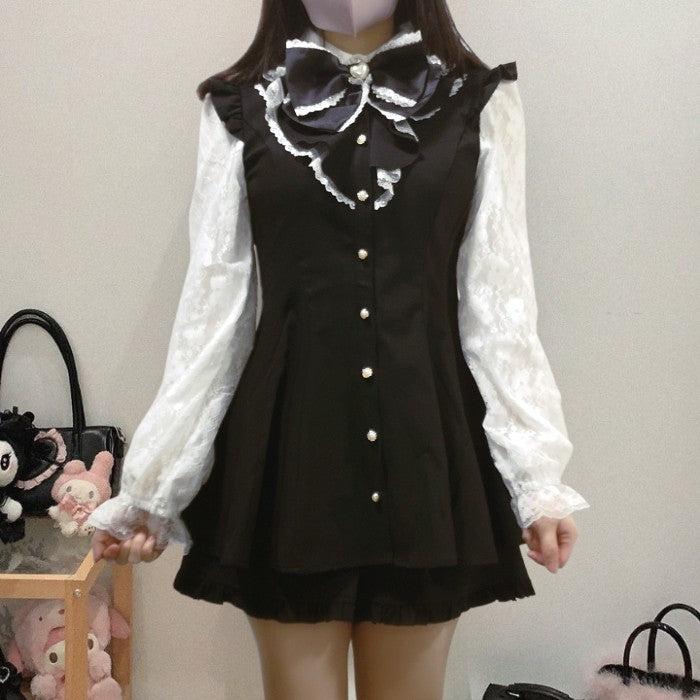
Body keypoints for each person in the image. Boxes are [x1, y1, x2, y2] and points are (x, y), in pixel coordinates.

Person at [87, 0, 591, 697]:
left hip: (426, 458)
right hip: (291, 458)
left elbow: (499, 302)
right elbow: (213, 310)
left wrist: (535, 479)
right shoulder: (239, 108)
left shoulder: (480, 103)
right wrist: (154, 487)